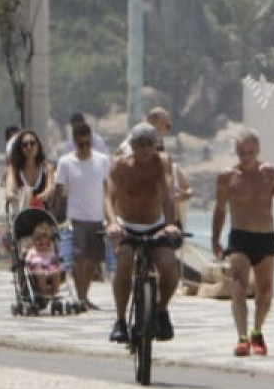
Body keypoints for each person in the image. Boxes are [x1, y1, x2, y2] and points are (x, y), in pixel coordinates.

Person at [211, 127, 274, 357]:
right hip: (240, 236)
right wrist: (215, 238)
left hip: (265, 236)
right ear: (236, 153)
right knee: (239, 285)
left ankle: (257, 332)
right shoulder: (227, 177)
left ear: (258, 151)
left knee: (264, 290)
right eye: (242, 153)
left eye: (250, 152)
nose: (246, 157)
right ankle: (242, 337)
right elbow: (220, 210)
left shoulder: (270, 173)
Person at [106, 122, 183, 344]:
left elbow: (168, 196)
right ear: (132, 145)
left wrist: (170, 224)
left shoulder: (162, 163)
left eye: (150, 144)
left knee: (169, 266)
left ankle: (161, 310)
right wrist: (112, 222)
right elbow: (109, 197)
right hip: (126, 225)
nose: (146, 150)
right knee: (124, 261)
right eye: (140, 145)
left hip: (156, 224)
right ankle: (120, 320)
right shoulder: (120, 165)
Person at [52, 116, 112, 310]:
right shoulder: (65, 162)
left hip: (97, 217)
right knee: (79, 259)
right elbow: (59, 191)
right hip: (76, 218)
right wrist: (53, 216)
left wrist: (111, 215)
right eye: (81, 143)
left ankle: (83, 295)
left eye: (88, 143)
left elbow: (108, 188)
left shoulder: (102, 160)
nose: (85, 147)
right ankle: (81, 298)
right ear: (75, 141)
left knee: (94, 259)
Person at [3, 130, 54, 216]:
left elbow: (50, 187)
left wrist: (43, 195)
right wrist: (12, 195)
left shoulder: (47, 167)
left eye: (32, 143)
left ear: (38, 146)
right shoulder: (14, 168)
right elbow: (10, 188)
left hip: (42, 214)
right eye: (25, 145)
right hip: (20, 214)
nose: (29, 147)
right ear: (20, 149)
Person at [24, 220, 67, 300]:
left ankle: (55, 291)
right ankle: (44, 292)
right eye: (40, 244)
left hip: (50, 269)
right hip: (37, 270)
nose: (44, 246)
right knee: (41, 274)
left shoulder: (51, 251)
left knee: (56, 272)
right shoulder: (32, 251)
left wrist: (57, 260)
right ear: (35, 242)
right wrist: (27, 262)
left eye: (47, 244)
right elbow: (27, 261)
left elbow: (55, 260)